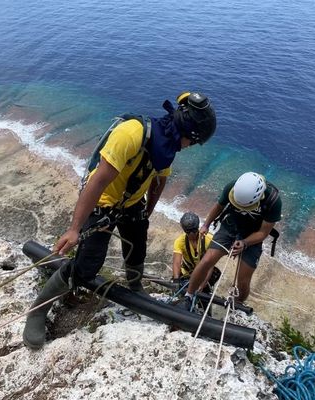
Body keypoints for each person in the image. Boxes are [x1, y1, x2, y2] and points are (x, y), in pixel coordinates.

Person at [23, 91, 217, 349]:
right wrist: (74, 229)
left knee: (137, 244)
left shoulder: (166, 145)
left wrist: (147, 212)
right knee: (86, 266)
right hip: (102, 202)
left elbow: (160, 178)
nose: (190, 147)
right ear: (188, 135)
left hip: (132, 203)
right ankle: (38, 311)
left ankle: (135, 287)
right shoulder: (132, 134)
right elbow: (98, 180)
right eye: (193, 142)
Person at [183, 172, 282, 310]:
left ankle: (238, 303)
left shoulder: (273, 202)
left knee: (243, 280)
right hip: (230, 225)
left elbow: (263, 232)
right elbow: (218, 206)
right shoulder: (232, 187)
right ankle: (189, 295)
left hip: (253, 234)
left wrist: (245, 243)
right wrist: (206, 224)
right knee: (207, 261)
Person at [172, 212, 220, 293]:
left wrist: (202, 284)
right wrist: (176, 280)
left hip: (204, 273)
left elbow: (210, 266)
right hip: (187, 273)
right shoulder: (179, 242)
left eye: (194, 230)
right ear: (184, 230)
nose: (191, 234)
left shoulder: (209, 239)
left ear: (198, 227)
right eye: (188, 231)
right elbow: (176, 263)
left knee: (204, 297)